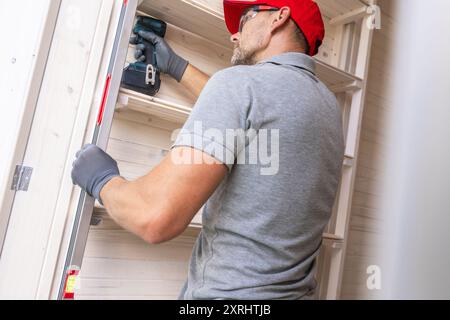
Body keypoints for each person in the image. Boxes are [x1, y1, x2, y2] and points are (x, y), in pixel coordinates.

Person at [72, 0, 345, 300]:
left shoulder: (242, 87)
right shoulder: (327, 107)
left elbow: (154, 217)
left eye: (245, 19)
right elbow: (250, 114)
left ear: (278, 18)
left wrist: (102, 179)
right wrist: (177, 67)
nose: (234, 35)